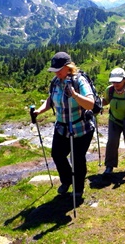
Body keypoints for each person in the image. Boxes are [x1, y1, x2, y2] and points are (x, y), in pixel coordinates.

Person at [33, 52, 95, 198]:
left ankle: (78, 188)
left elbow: (90, 104)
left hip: (81, 128)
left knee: (77, 158)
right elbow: (51, 99)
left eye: (59, 70)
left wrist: (75, 95)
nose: (57, 73)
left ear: (68, 67)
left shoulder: (79, 81)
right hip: (61, 127)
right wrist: (39, 111)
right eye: (54, 70)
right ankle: (67, 180)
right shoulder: (55, 82)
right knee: (57, 154)